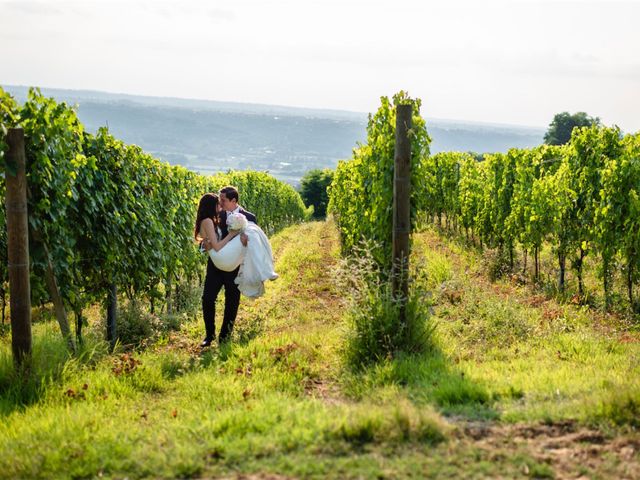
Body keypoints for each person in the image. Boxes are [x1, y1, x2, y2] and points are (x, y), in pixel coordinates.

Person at [197, 187, 257, 347]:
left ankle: (225, 336)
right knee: (208, 299)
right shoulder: (215, 214)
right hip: (215, 266)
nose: (220, 202)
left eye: (223, 200)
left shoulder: (249, 218)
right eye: (219, 199)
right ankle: (209, 335)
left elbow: (255, 243)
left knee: (232, 301)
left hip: (236, 267)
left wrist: (247, 242)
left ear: (234, 201)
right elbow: (204, 239)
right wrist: (205, 246)